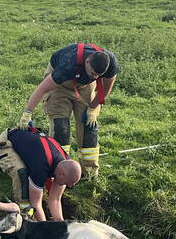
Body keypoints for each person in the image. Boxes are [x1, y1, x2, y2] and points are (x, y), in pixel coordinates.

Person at [17, 42, 120, 177]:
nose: (95, 77)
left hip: (84, 85)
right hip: (60, 85)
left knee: (90, 126)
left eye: (98, 76)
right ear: (87, 62)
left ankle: (89, 172)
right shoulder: (68, 64)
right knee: (61, 127)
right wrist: (27, 113)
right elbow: (42, 89)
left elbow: (105, 89)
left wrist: (92, 108)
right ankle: (60, 169)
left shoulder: (110, 63)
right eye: (93, 73)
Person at [0, 127, 81, 222]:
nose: (66, 186)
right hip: (6, 144)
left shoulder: (65, 164)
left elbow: (55, 199)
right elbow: (35, 204)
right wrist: (44, 227)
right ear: (61, 174)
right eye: (66, 184)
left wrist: (60, 223)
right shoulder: (41, 167)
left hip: (29, 146)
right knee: (21, 172)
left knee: (30, 170)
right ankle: (23, 212)